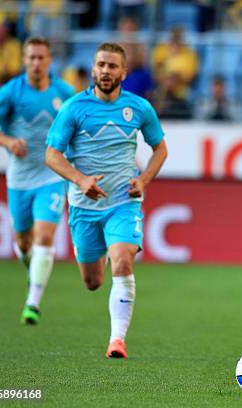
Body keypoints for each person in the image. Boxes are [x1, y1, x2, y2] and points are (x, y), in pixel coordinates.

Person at [45, 42, 168, 358]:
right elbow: (52, 155)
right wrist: (80, 179)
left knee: (123, 258)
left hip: (123, 202)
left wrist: (143, 180)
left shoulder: (139, 108)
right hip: (84, 207)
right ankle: (91, 257)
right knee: (92, 282)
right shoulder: (74, 108)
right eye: (101, 64)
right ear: (93, 68)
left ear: (124, 72)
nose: (106, 71)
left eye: (112, 66)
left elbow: (160, 149)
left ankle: (117, 340)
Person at [0, 37, 75, 325]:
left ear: (49, 61)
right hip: (20, 179)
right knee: (24, 243)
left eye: (41, 58)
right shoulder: (11, 92)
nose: (36, 63)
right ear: (24, 60)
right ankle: (32, 269)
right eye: (31, 58)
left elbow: (79, 126)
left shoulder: (64, 92)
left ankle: (32, 303)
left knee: (44, 236)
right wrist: (9, 142)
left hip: (51, 175)